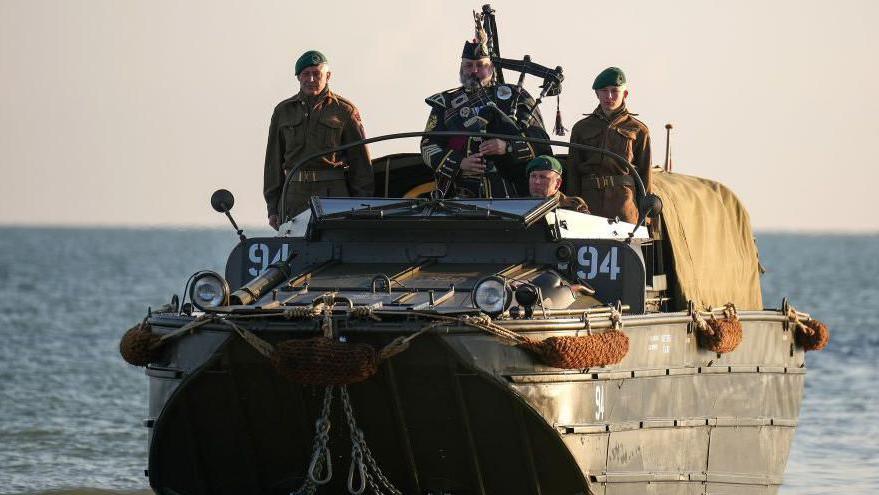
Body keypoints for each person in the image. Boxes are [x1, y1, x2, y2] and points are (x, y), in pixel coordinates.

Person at [420, 40, 552, 199]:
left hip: (511, 190)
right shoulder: (445, 102)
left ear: (491, 68)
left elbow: (541, 142)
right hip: (461, 191)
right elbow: (429, 145)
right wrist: (459, 163)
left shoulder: (517, 96)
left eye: (480, 65)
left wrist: (508, 147)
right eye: (469, 65)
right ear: (461, 68)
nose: (474, 71)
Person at [263, 50, 373, 230]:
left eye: (317, 74)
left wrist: (362, 206)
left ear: (328, 76)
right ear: (298, 77)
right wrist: (272, 208)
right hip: (294, 196)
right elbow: (272, 163)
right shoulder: (283, 112)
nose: (311, 79)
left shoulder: (345, 111)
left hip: (333, 195)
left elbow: (361, 163)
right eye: (306, 74)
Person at [567, 67, 651, 224]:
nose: (609, 96)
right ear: (597, 94)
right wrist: (572, 208)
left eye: (614, 91)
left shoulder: (638, 130)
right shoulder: (581, 128)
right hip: (588, 204)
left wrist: (646, 215)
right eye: (604, 91)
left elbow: (645, 175)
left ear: (625, 94)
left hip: (624, 204)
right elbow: (573, 171)